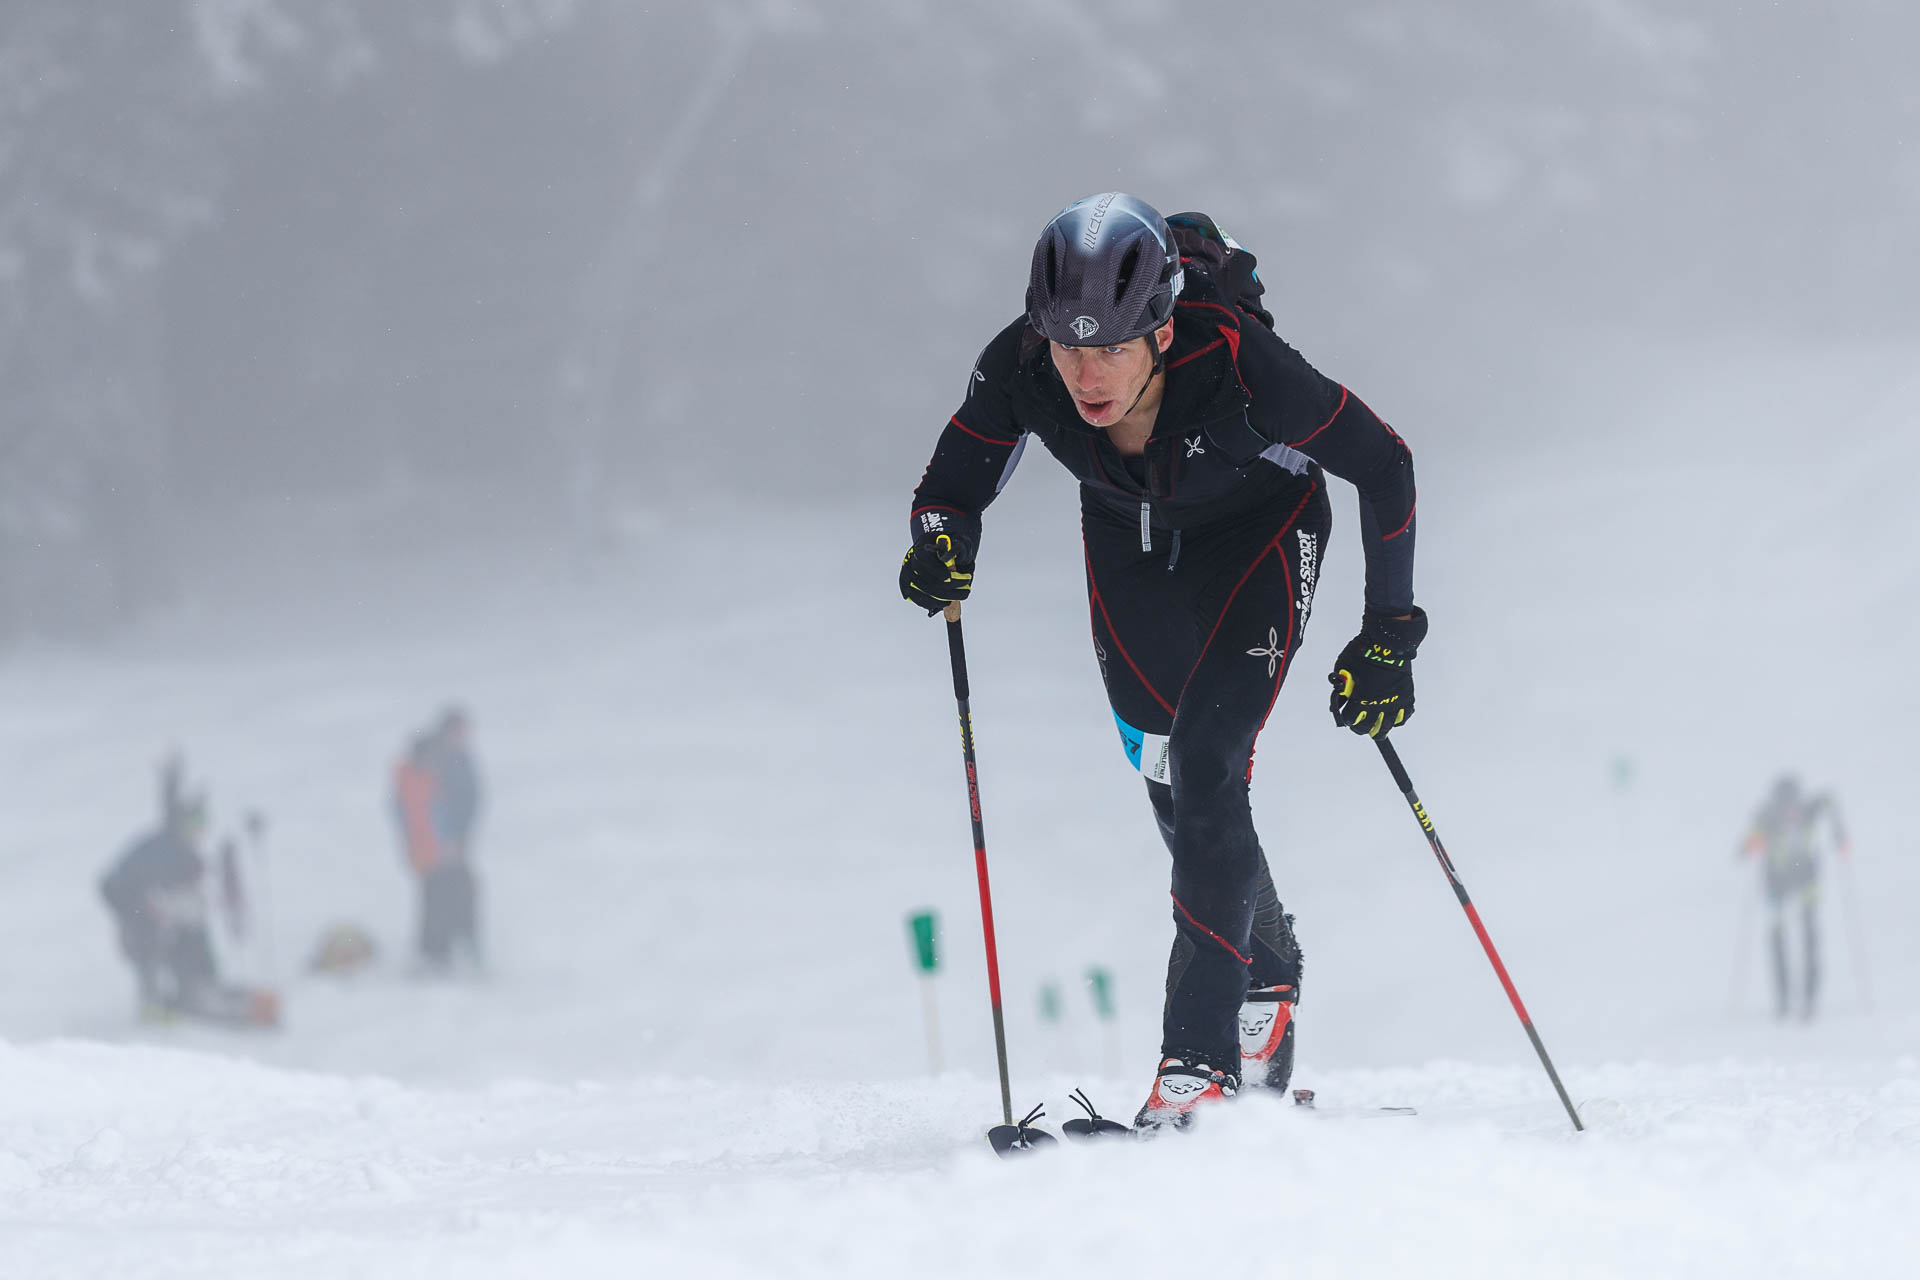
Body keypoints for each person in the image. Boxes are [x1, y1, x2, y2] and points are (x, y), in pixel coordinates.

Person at [900, 194, 1423, 1130]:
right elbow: (950, 488)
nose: (1084, 374)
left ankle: (1198, 1067)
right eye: (1067, 345)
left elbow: (1383, 464)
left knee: (1210, 758)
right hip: (1129, 542)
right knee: (1168, 780)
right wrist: (942, 543)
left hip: (1263, 535)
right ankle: (1266, 969)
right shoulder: (1021, 364)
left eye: (1109, 348)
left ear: (1163, 328)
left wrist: (1389, 633)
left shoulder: (1243, 366)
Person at [98, 793, 266, 1023]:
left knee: (190, 929)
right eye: (195, 824)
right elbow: (131, 885)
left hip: (153, 910)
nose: (200, 831)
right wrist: (148, 906)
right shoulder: (164, 849)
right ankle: (154, 1004)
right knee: (149, 944)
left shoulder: (183, 850)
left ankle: (196, 988)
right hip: (135, 909)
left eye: (202, 824)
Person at [1739, 774, 1848, 1020]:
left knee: (1810, 937)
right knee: (1777, 939)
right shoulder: (1766, 816)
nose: (1790, 811)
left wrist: (1839, 834)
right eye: (1784, 806)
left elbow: (1828, 800)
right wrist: (1751, 844)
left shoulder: (1810, 809)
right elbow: (1746, 845)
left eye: (1793, 805)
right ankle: (1783, 999)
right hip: (1776, 885)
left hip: (1807, 881)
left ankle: (1809, 999)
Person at [393, 706, 485, 972]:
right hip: (434, 842)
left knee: (455, 889)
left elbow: (469, 799)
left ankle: (454, 945)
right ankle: (438, 950)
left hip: (452, 839)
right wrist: (443, 839)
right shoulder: (431, 757)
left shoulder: (459, 758)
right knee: (439, 892)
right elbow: (424, 806)